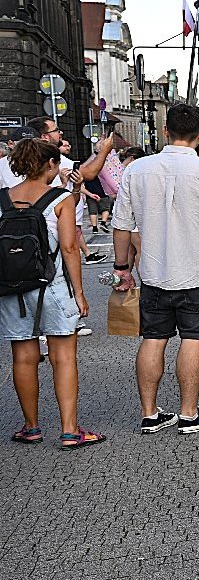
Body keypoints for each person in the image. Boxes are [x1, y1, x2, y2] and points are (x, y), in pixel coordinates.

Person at [110, 104, 199, 435]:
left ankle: (150, 413)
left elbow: (121, 226)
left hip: (154, 271)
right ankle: (188, 412)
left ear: (166, 131)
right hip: (198, 270)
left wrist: (122, 268)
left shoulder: (137, 170)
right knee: (193, 339)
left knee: (153, 338)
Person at [3, 138, 100, 449]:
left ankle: (31, 427)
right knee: (63, 356)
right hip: (53, 285)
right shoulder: (60, 199)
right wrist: (81, 294)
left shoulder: (3, 199)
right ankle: (70, 430)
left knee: (23, 356)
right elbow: (70, 248)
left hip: (12, 289)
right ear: (50, 165)